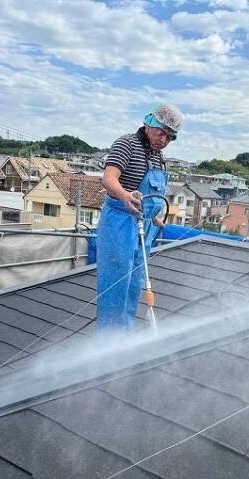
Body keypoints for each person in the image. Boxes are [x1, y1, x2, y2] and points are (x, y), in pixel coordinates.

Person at [96, 102, 184, 332]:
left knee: (135, 284)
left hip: (143, 224)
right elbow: (109, 178)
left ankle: (124, 335)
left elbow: (148, 194)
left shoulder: (158, 157)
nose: (164, 140)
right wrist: (125, 195)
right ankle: (107, 341)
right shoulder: (127, 144)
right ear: (148, 124)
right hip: (120, 222)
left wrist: (153, 217)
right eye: (160, 133)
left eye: (170, 137)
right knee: (116, 283)